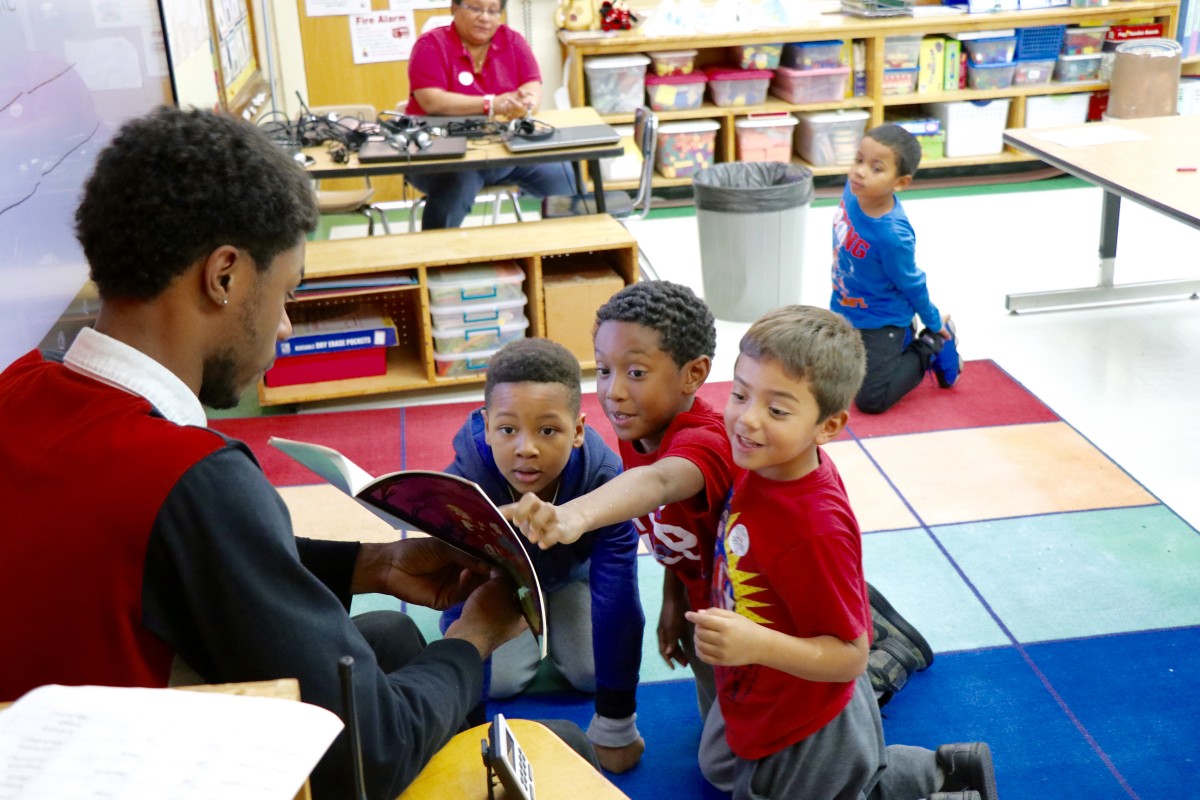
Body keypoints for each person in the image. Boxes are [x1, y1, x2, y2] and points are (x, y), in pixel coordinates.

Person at [0, 106, 595, 800]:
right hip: (158, 767)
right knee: (562, 746)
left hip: (54, 750)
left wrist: (374, 563)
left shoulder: (20, 389)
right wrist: (475, 637)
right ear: (224, 276)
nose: (284, 325)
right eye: (286, 293)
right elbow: (375, 752)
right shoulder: (190, 477)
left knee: (392, 642)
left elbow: (155, 560)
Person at [509, 282, 936, 716]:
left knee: (814, 710)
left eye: (635, 373)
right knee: (727, 736)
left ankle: (885, 652)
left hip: (767, 597)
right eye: (603, 370)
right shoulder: (636, 427)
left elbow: (659, 484)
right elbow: (679, 523)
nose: (613, 391)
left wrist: (573, 515)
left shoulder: (708, 441)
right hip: (714, 593)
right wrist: (673, 599)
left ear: (693, 374)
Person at [688, 305, 997, 800]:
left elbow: (851, 658)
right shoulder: (767, 460)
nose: (746, 419)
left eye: (777, 409)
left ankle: (942, 782)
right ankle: (920, 768)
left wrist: (756, 645)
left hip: (809, 716)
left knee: (829, 788)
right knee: (719, 768)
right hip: (763, 682)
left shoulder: (813, 528)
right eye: (740, 393)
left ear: (827, 426)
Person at [440, 337, 646, 773]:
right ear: (486, 423)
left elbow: (619, 594)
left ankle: (553, 620)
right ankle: (533, 628)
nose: (526, 448)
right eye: (508, 429)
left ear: (577, 431)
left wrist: (616, 723)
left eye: (547, 430)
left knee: (590, 677)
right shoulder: (465, 480)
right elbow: (455, 587)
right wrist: (466, 724)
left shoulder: (606, 479)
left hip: (573, 575)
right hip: (504, 583)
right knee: (504, 682)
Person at [403, 0, 576, 229]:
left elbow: (532, 88)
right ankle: (435, 261)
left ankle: (569, 249)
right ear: (454, 8)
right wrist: (491, 104)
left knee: (559, 173)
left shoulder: (512, 41)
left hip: (504, 154)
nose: (485, 17)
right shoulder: (431, 44)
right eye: (475, 8)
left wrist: (526, 104)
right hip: (443, 158)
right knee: (457, 184)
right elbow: (431, 101)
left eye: (493, 11)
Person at [831, 123, 963, 415]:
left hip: (884, 322)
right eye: (858, 160)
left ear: (900, 182)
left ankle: (930, 346)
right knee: (822, 380)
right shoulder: (853, 190)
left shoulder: (893, 235)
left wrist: (933, 321)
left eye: (876, 168)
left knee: (870, 401)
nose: (860, 171)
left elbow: (912, 284)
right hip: (845, 306)